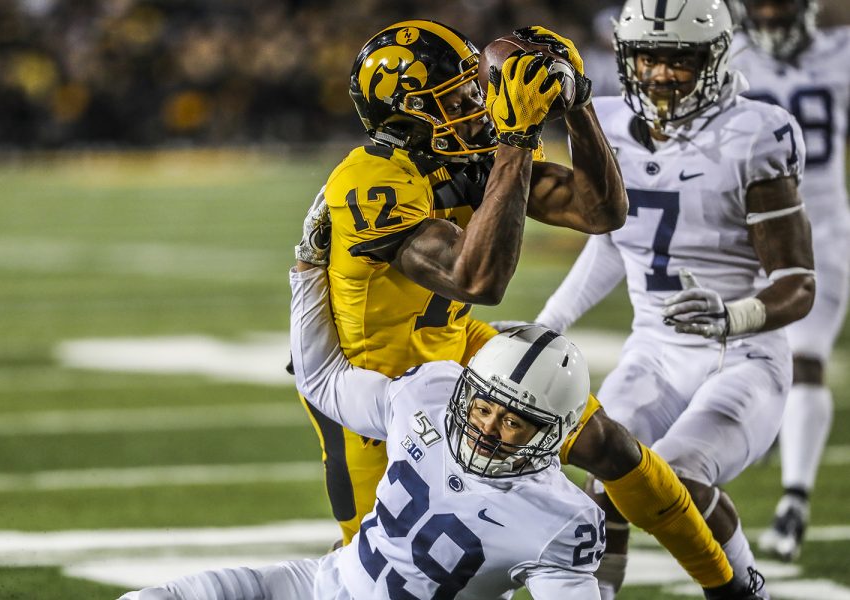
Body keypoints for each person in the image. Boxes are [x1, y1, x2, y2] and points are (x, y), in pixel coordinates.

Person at [296, 18, 760, 600]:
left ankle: (733, 586)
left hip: (456, 343)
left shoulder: (467, 149)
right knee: (387, 577)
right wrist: (514, 145)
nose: (478, 102)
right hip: (377, 384)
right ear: (409, 114)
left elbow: (599, 212)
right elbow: (478, 278)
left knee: (607, 444)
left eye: (474, 86)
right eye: (457, 97)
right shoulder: (370, 183)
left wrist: (578, 105)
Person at [533, 0, 816, 597]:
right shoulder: (605, 122)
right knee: (606, 479)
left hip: (744, 356)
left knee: (676, 479)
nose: (661, 74)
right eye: (649, 58)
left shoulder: (754, 134)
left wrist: (734, 315)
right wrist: (549, 322)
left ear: (713, 57)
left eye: (679, 60)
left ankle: (744, 591)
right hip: (654, 351)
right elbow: (617, 245)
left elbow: (798, 281)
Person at [117, 264, 606, 600]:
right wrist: (308, 274)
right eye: (482, 407)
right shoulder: (431, 394)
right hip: (319, 585)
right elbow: (323, 381)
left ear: (551, 432)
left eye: (513, 422)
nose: (487, 429)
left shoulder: (559, 520)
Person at [730, 0, 850, 562]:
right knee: (728, 356)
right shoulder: (726, 56)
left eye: (782, 12)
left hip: (818, 232)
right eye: (765, 13)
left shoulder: (839, 54)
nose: (773, 21)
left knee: (807, 359)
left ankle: (795, 498)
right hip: (748, 232)